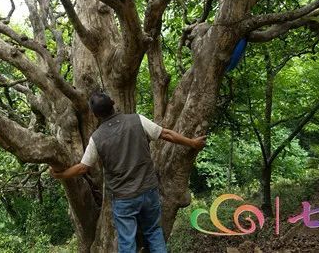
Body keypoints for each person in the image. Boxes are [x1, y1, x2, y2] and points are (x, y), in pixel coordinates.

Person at [49, 92, 207, 253]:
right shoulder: (137, 120)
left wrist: (61, 174)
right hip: (148, 191)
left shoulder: (97, 138)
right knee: (154, 232)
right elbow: (166, 134)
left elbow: (83, 167)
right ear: (113, 103)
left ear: (95, 115)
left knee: (127, 242)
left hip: (123, 198)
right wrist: (192, 143)